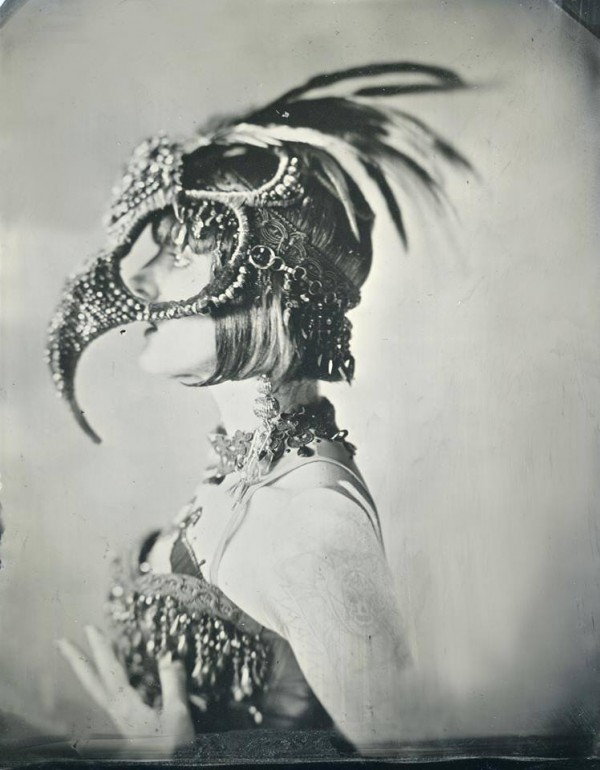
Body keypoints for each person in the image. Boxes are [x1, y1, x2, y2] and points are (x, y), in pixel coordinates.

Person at [50, 62, 468, 757]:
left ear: (259, 285)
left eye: (181, 252)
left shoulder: (311, 527)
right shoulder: (253, 474)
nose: (145, 281)